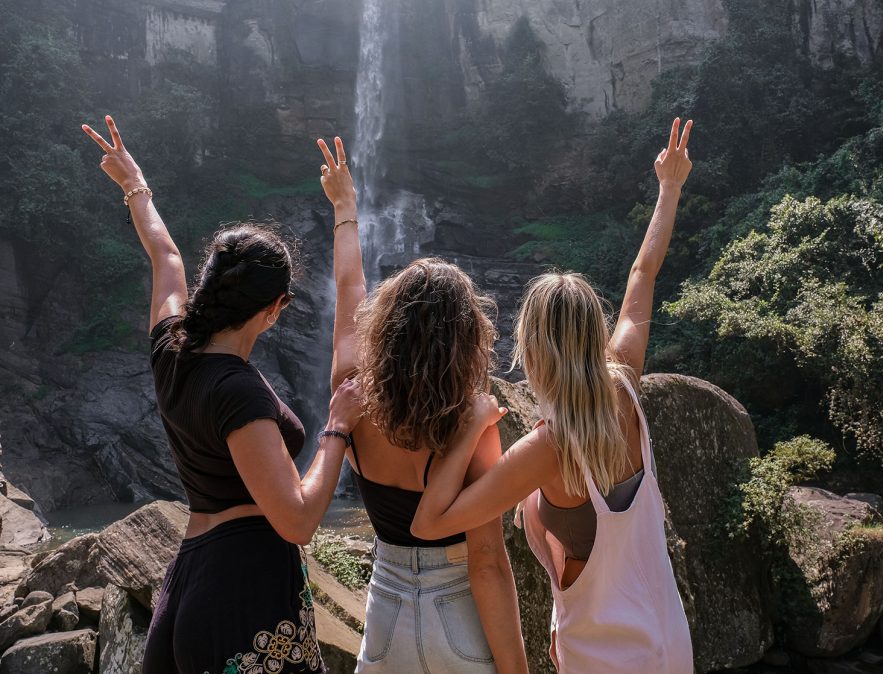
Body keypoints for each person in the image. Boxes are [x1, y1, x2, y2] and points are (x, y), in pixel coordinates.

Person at [411, 118, 696, 673]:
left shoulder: (548, 449)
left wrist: (471, 429)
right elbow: (643, 276)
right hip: (668, 640)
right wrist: (670, 188)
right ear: (594, 331)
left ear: (533, 349)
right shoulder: (625, 384)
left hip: (605, 656)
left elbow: (429, 523)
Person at [83, 116, 363, 674]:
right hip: (244, 595)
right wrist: (337, 425)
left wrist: (135, 186)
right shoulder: (237, 392)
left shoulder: (171, 350)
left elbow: (165, 259)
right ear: (274, 309)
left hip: (187, 583)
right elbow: (299, 521)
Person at [316, 138, 528, 673]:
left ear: (383, 329)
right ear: (467, 339)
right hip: (457, 612)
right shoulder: (472, 424)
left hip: (385, 613)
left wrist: (344, 208)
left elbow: (348, 288)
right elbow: (487, 563)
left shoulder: (352, 393)